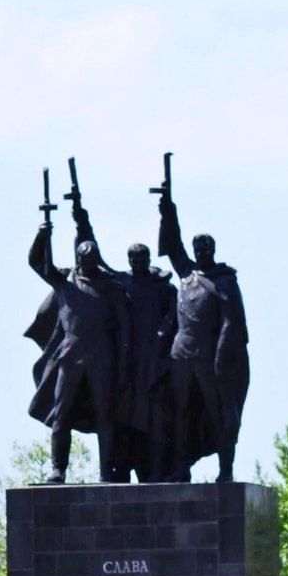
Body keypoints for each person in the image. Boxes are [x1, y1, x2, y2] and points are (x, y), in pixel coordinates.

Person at [69, 199, 178, 481]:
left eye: (142, 259)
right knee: (121, 419)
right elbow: (93, 258)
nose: (137, 263)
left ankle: (155, 471)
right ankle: (119, 469)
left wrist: (163, 336)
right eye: (133, 259)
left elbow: (173, 316)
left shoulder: (163, 288)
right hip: (124, 364)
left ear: (149, 259)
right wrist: (82, 224)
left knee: (153, 419)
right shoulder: (120, 283)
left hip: (153, 363)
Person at [24, 215, 131, 483]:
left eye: (92, 261)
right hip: (70, 358)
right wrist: (42, 236)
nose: (87, 265)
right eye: (83, 261)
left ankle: (107, 471)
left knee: (105, 415)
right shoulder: (65, 281)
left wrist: (123, 363)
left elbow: (124, 328)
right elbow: (37, 263)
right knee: (62, 413)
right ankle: (58, 468)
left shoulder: (110, 288)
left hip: (102, 360)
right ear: (78, 260)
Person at [158, 193, 249, 482]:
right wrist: (167, 211)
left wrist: (221, 358)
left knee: (218, 413)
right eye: (198, 247)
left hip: (209, 358)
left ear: (213, 249)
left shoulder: (224, 280)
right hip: (181, 355)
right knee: (181, 413)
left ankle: (226, 469)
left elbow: (232, 322)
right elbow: (173, 246)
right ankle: (181, 467)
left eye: (206, 246)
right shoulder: (186, 274)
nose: (202, 251)